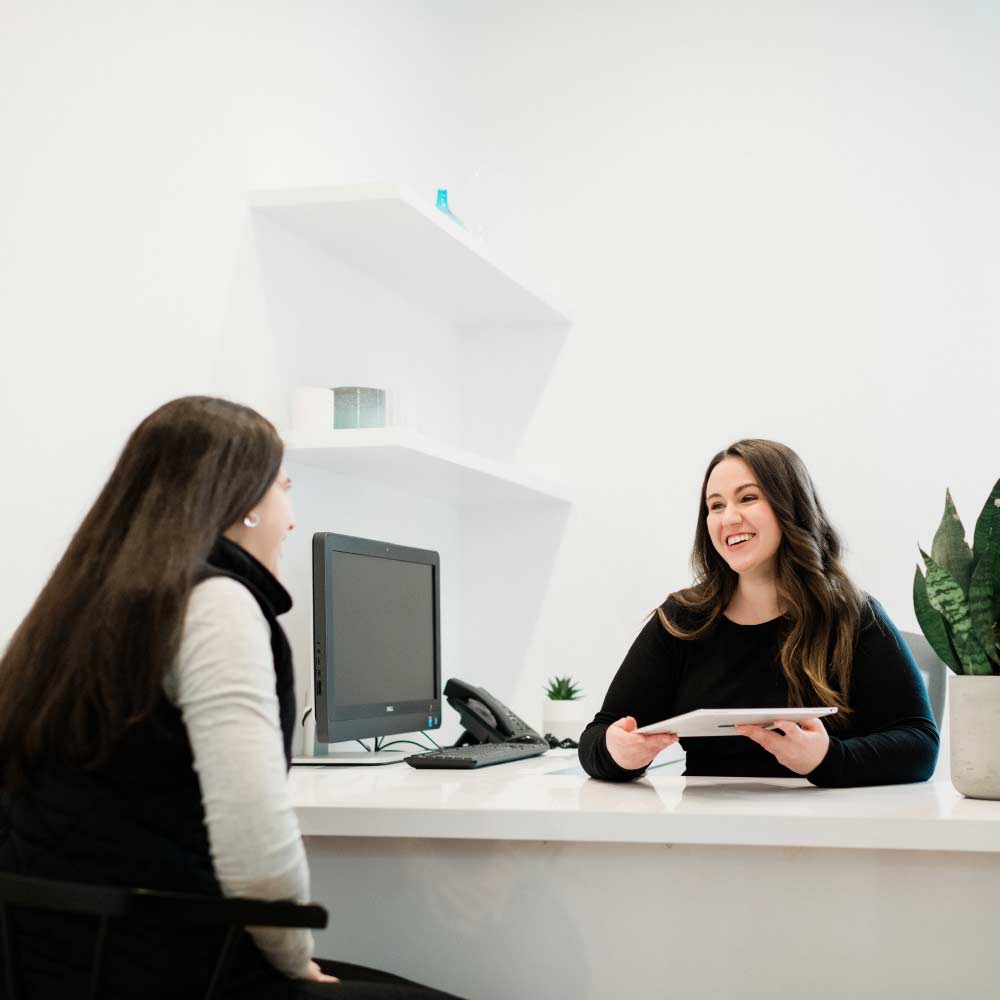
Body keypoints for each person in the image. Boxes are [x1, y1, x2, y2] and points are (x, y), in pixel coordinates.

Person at [0, 396, 464, 1000]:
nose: (291, 518)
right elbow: (257, 849)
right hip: (170, 967)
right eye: (284, 489)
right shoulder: (214, 604)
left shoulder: (69, 607)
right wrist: (296, 961)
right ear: (245, 502)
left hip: (48, 966)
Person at [579, 438, 939, 787]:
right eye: (715, 506)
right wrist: (617, 754)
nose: (728, 518)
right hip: (706, 833)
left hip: (828, 832)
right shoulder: (681, 620)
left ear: (790, 507)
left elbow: (920, 745)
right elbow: (598, 736)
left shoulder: (852, 616)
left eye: (748, 498)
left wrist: (826, 759)